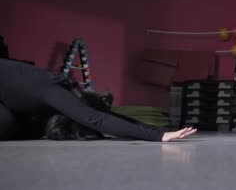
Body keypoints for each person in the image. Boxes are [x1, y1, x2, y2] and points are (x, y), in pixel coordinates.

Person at [0, 58, 196, 142]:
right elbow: (95, 119)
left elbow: (104, 115)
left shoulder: (53, 91)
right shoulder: (50, 91)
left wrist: (161, 131)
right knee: (8, 125)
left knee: (18, 125)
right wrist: (158, 137)